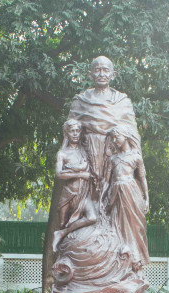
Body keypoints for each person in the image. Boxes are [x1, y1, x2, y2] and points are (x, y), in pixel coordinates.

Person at [67, 56, 139, 188]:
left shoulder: (122, 101)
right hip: (87, 153)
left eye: (106, 70)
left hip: (114, 153)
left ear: (113, 75)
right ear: (90, 74)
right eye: (97, 70)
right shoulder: (80, 101)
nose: (101, 74)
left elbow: (132, 134)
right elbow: (69, 132)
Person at [101, 125, 150, 268]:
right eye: (113, 138)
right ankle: (120, 258)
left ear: (126, 137)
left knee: (135, 226)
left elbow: (142, 178)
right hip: (116, 194)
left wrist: (147, 198)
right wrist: (102, 197)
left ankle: (136, 259)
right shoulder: (113, 159)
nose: (115, 140)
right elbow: (106, 181)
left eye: (117, 137)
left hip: (132, 193)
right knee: (118, 224)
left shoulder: (136, 157)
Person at [52, 120, 97, 252]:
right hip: (69, 194)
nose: (76, 134)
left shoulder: (84, 151)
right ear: (67, 133)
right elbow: (59, 174)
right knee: (62, 223)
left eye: (78, 131)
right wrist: (81, 174)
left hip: (83, 193)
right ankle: (63, 246)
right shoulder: (62, 154)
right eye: (72, 131)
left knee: (92, 217)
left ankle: (61, 233)